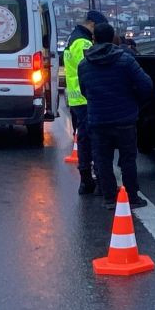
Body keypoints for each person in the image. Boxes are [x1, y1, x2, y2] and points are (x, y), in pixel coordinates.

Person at [77, 22, 154, 209]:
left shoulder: (84, 65)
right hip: (125, 118)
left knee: (103, 160)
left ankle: (110, 198)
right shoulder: (126, 60)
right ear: (113, 38)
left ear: (93, 39)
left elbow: (84, 91)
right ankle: (132, 197)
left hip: (98, 119)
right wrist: (135, 102)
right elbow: (146, 85)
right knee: (128, 159)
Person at [62, 13, 99, 194]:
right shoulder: (83, 42)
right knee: (91, 139)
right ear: (91, 24)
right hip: (86, 98)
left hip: (76, 97)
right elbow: (91, 66)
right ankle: (91, 179)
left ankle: (87, 179)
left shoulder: (72, 37)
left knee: (84, 137)